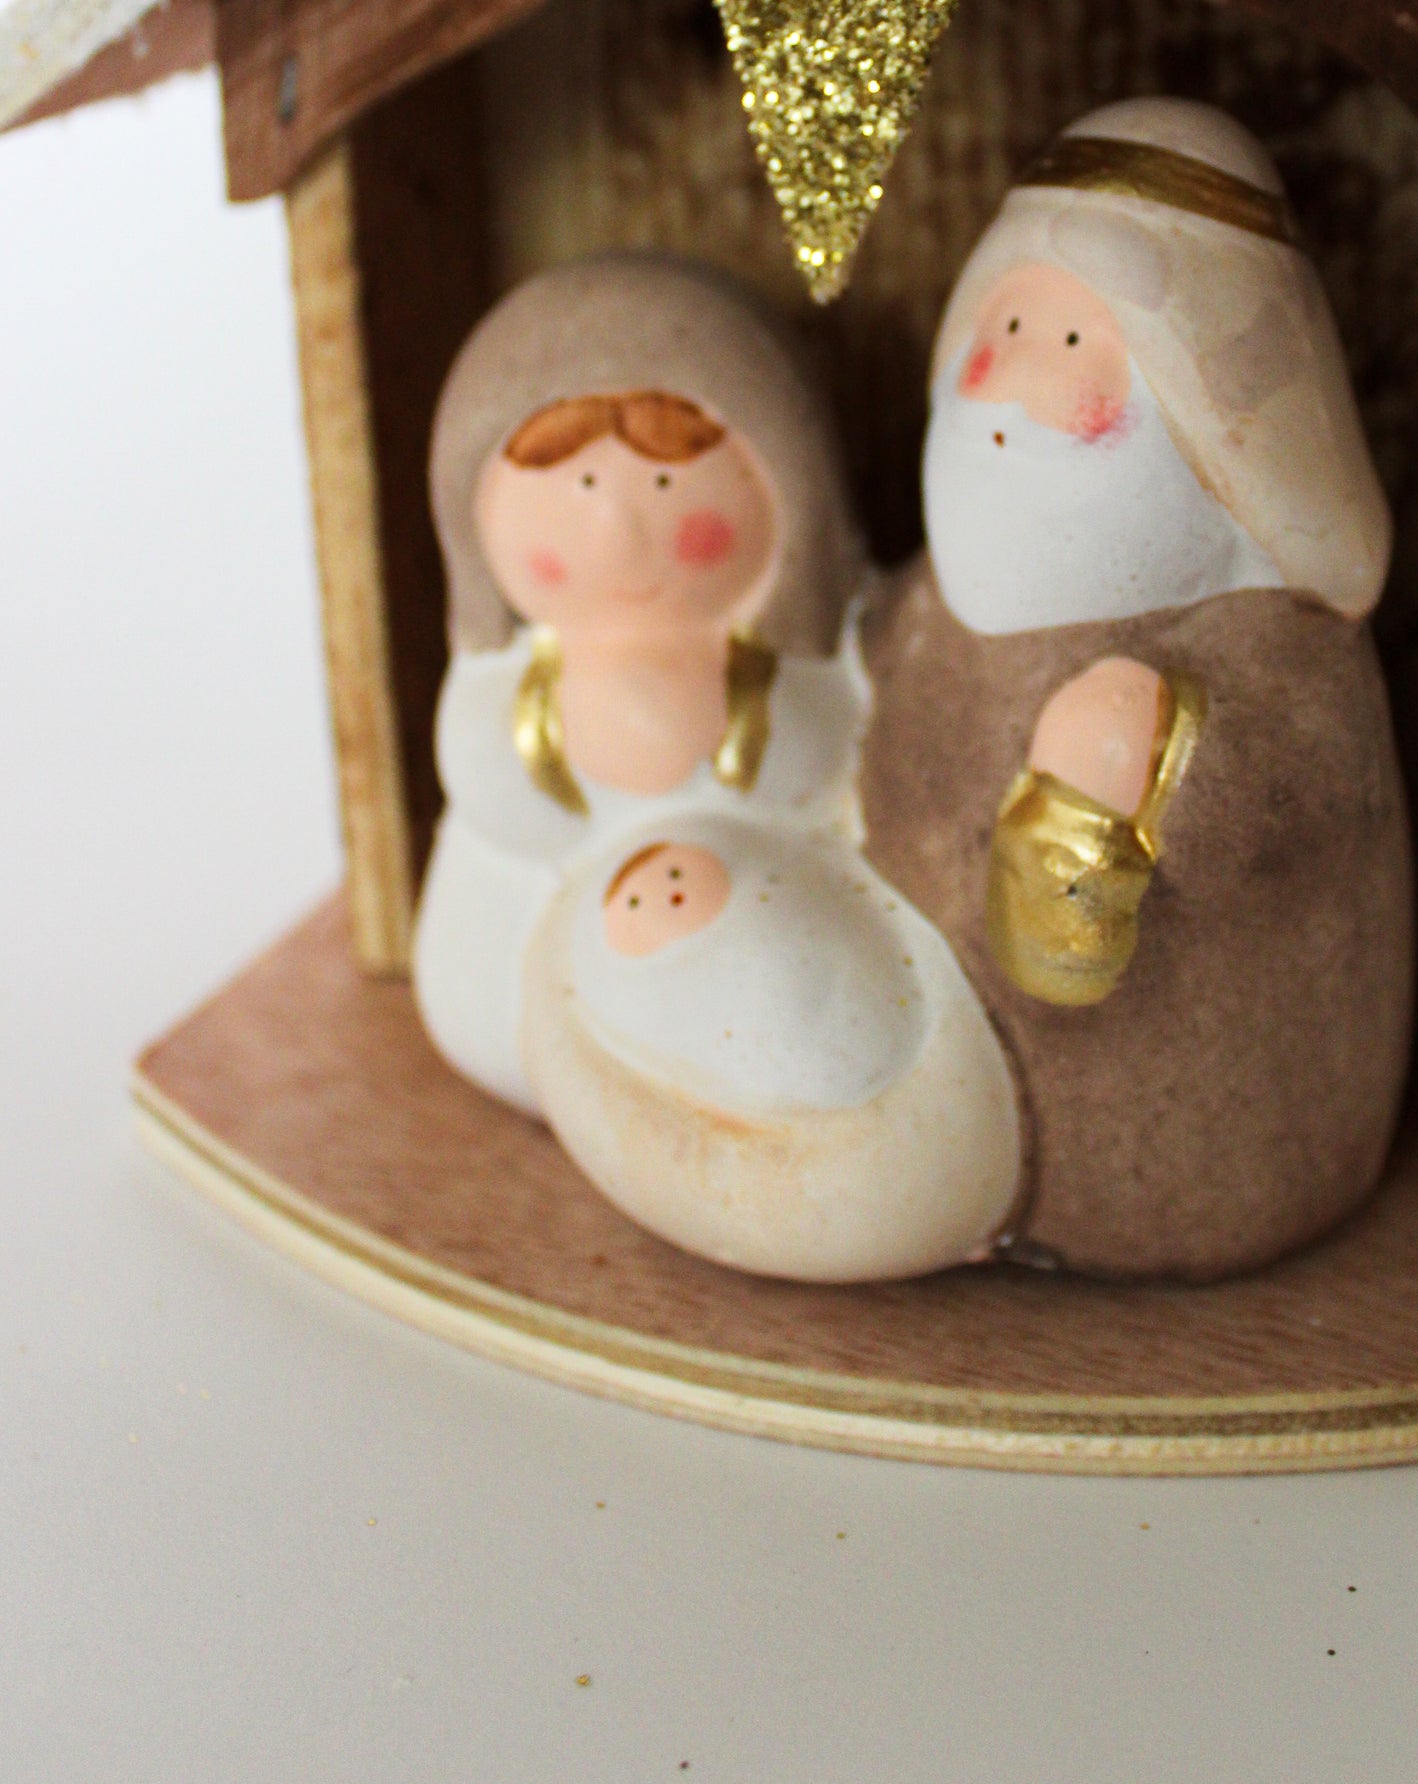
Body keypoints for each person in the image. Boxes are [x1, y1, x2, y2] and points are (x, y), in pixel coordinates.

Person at [860, 99, 1414, 1279]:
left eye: (1072, 343)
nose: (1012, 383)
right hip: (928, 1057)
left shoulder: (1268, 651)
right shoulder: (935, 595)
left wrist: (1152, 768)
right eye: (1007, 325)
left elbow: (1288, 806)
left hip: (1177, 1151)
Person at [414, 251, 1021, 1282]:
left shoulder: (805, 667)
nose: (617, 530)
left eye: (662, 482)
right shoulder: (503, 686)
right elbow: (495, 788)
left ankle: (808, 1148)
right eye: (576, 487)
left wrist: (715, 712)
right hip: (513, 968)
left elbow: (827, 756)